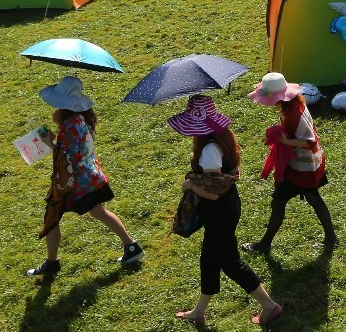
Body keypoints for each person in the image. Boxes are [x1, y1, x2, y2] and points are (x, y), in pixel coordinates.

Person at [169, 96, 283, 326]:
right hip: (225, 208)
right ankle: (198, 312)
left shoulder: (210, 148)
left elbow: (213, 192)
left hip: (219, 210)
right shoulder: (223, 137)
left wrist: (190, 185)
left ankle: (270, 307)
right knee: (209, 259)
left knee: (231, 262)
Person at [27, 76, 143, 277]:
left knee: (52, 218)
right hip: (90, 177)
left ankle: (52, 263)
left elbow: (67, 156)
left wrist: (48, 142)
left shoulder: (70, 125)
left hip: (73, 183)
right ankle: (131, 246)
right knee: (99, 213)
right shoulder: (81, 118)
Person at [242, 73, 338, 253]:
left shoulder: (293, 114)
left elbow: (309, 142)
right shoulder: (295, 105)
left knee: (279, 202)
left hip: (302, 167)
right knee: (313, 197)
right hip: (309, 163)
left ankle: (264, 245)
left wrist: (286, 142)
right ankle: (331, 237)